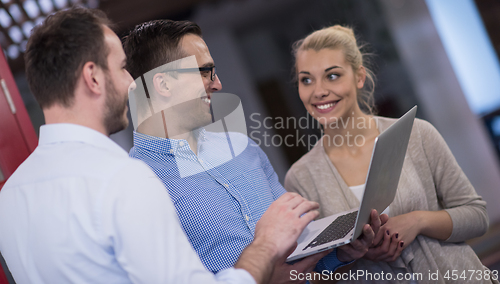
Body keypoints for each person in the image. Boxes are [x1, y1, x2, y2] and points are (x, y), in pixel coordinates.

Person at [0, 6, 325, 284]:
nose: (131, 84)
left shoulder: (9, 199)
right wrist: (265, 249)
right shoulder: (125, 177)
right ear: (93, 78)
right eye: (123, 68)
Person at [123, 20, 382, 283]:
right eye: (205, 72)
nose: (217, 84)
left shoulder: (243, 148)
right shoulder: (136, 187)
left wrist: (341, 254)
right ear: (164, 85)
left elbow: (301, 253)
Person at [284, 25, 498, 283]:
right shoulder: (300, 177)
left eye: (332, 76)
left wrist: (418, 221)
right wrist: (348, 255)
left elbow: (477, 216)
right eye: (306, 79)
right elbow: (309, 275)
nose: (318, 91)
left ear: (359, 77)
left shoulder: (417, 134)